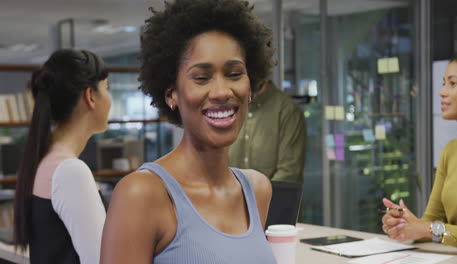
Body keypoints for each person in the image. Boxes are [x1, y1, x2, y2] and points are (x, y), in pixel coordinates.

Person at [100, 0, 277, 263]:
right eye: (202, 78)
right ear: (172, 94)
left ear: (250, 86)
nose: (221, 92)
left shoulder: (257, 189)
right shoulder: (141, 194)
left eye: (234, 73)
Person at [13, 49, 111, 263]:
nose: (110, 99)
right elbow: (101, 260)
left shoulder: (45, 158)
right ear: (91, 96)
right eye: (107, 88)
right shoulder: (70, 171)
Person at [381, 53, 457, 250]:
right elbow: (431, 221)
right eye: (443, 83)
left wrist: (428, 229)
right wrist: (405, 224)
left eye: (452, 84)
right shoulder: (451, 151)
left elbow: (432, 228)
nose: (442, 92)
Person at [229, 80, 306, 183]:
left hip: (272, 198)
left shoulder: (287, 110)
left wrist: (254, 198)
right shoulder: (227, 108)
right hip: (227, 197)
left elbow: (289, 173)